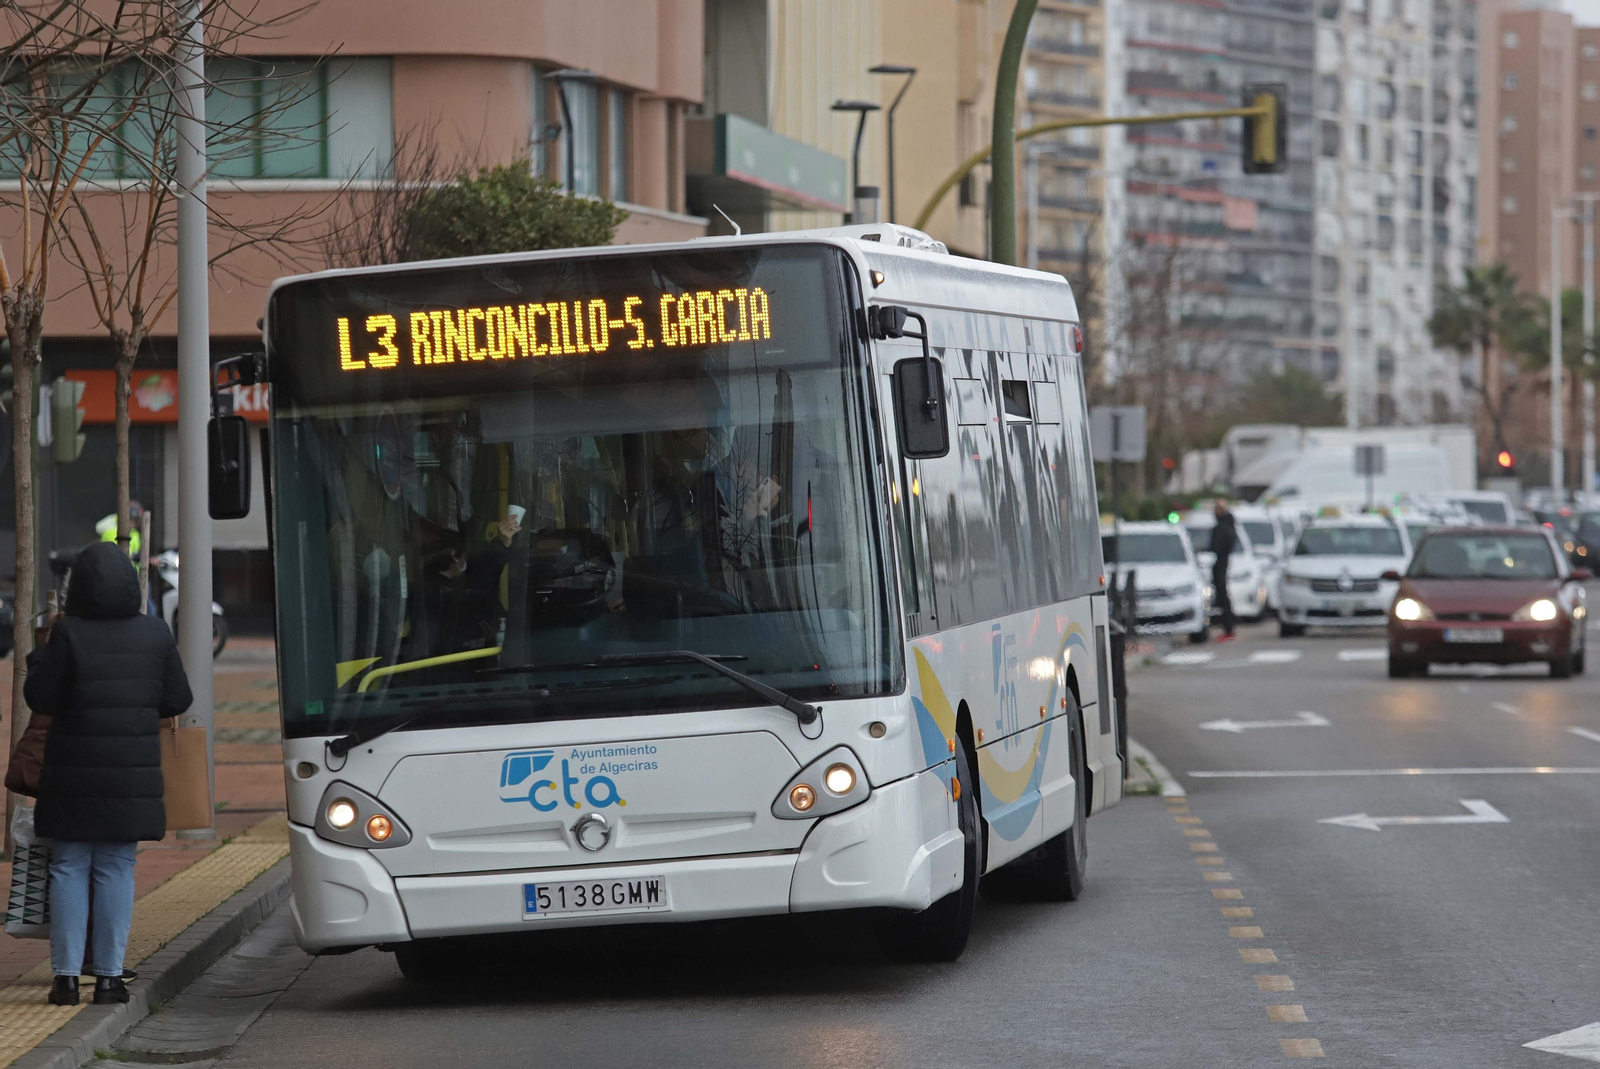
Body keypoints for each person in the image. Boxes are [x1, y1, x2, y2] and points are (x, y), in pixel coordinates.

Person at [25, 542, 193, 1007]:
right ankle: (109, 979)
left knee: (67, 868)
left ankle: (64, 980)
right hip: (129, 779)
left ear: (77, 587)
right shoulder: (156, 633)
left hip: (70, 779)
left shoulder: (68, 634)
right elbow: (177, 699)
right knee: (117, 869)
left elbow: (40, 696)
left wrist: (39, 655)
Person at [1211, 500, 1238, 642]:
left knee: (1223, 596)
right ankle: (1228, 628)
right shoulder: (1229, 525)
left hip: (1221, 564)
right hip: (1222, 563)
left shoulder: (1223, 527)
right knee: (1222, 597)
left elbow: (1217, 546)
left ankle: (1228, 629)